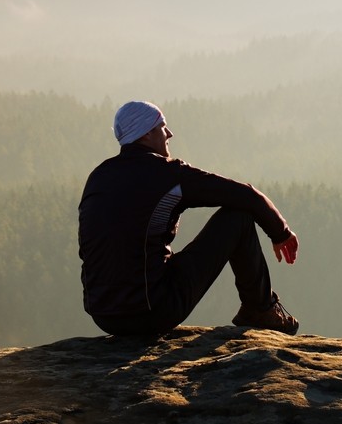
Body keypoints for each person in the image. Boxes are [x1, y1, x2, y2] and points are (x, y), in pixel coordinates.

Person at [78, 100, 299, 337]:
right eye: (162, 127)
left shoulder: (98, 177)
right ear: (147, 133)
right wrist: (281, 233)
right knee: (239, 218)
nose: (169, 133)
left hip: (102, 314)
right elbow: (246, 196)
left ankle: (259, 308)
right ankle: (260, 309)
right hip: (153, 311)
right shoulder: (168, 175)